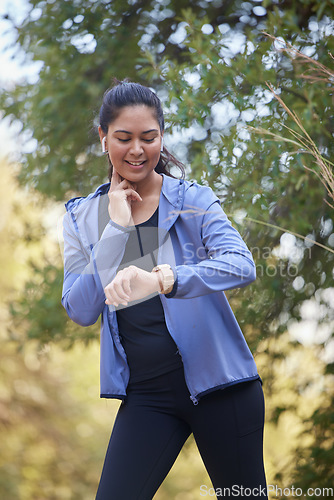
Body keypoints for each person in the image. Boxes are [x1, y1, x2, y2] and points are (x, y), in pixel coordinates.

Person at [61, 80, 267, 499]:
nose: (137, 150)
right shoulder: (83, 217)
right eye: (124, 138)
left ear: (161, 137)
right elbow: (81, 310)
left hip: (221, 388)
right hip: (146, 396)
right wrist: (115, 228)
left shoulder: (193, 200)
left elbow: (242, 264)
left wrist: (163, 279)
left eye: (148, 138)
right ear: (104, 139)